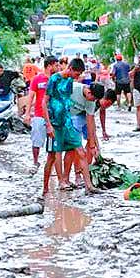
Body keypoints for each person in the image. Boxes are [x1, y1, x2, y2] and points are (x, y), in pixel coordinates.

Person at [41, 58, 98, 195]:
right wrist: (48, 124)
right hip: (55, 123)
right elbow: (44, 102)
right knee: (54, 156)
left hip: (67, 122)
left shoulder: (71, 81)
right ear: (71, 68)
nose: (77, 77)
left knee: (80, 151)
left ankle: (88, 185)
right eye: (77, 74)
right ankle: (52, 185)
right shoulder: (54, 79)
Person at [64, 81, 105, 183]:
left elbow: (90, 122)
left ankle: (83, 173)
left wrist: (92, 145)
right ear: (89, 93)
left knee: (85, 147)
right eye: (94, 98)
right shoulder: (73, 88)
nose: (93, 101)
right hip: (65, 116)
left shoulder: (91, 102)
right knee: (73, 148)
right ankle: (67, 178)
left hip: (78, 115)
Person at [25, 56, 58, 167]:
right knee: (36, 140)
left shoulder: (57, 80)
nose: (57, 67)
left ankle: (51, 164)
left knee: (54, 141)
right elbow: (30, 96)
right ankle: (35, 161)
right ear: (49, 66)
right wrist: (27, 114)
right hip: (39, 114)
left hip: (53, 115)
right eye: (55, 65)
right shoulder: (37, 79)